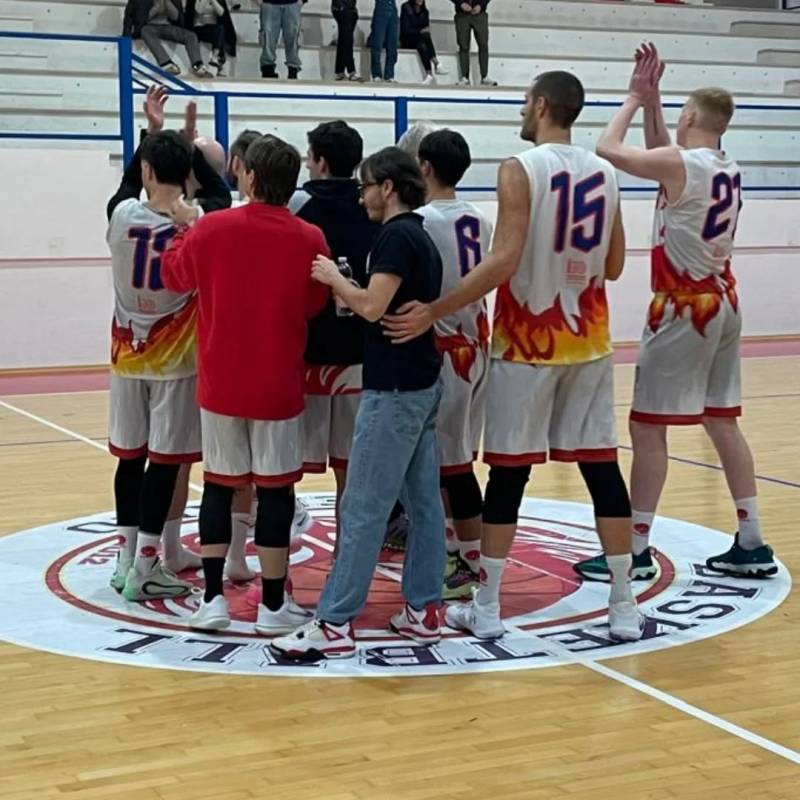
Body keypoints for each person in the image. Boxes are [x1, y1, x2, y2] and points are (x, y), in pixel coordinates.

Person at [383, 71, 644, 643]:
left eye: (527, 100)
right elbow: (618, 264)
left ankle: (490, 605)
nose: (522, 109)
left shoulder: (518, 168)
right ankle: (624, 605)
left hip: (528, 344)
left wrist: (436, 308)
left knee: (510, 473)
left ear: (543, 105)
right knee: (602, 469)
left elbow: (503, 261)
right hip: (590, 341)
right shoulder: (606, 171)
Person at [577, 43, 778, 581]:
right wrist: (655, 101)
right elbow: (661, 152)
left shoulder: (680, 165)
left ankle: (637, 547)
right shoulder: (723, 166)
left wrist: (633, 96)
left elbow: (607, 148)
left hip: (683, 309)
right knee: (722, 421)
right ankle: (752, 539)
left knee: (647, 428)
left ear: (692, 116)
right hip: (725, 302)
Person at [270, 147, 445, 660]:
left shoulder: (394, 235)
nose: (361, 194)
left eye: (366, 185)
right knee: (424, 505)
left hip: (393, 391)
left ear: (387, 187)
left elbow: (371, 305)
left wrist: (333, 279)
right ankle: (423, 610)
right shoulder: (422, 235)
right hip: (422, 383)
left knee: (364, 506)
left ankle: (335, 621)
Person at [161, 135, 331, 632]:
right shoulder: (309, 237)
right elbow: (314, 306)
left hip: (220, 384)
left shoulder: (211, 228)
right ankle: (273, 605)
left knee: (218, 487)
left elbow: (174, 278)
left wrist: (181, 229)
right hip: (278, 383)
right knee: (276, 493)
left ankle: (212, 600)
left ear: (249, 176)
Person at [106, 129, 201, 602]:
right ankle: (146, 565)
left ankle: (124, 562)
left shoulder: (121, 214)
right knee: (163, 464)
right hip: (176, 363)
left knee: (129, 458)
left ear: (145, 170)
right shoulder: (196, 222)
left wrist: (148, 132)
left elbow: (125, 188)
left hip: (126, 359)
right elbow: (218, 189)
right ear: (187, 175)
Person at [415, 128, 492, 599]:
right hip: (476, 343)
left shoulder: (423, 220)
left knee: (452, 463)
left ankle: (468, 559)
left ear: (424, 167)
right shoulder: (478, 218)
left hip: (445, 348)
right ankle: (456, 549)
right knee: (453, 457)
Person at [290, 122, 380, 525]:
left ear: (320, 161)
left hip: (304, 351)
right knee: (351, 470)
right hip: (358, 350)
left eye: (310, 157)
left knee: (282, 468)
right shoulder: (372, 206)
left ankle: (276, 566)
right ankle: (345, 557)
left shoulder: (295, 203)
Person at [122, 0, 213, 77]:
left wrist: (167, 4)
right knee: (145, 31)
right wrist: (156, 7)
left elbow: (177, 18)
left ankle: (198, 65)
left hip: (169, 27)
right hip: (149, 27)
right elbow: (138, 19)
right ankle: (166, 64)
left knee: (191, 35)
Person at [185, 0, 238, 77]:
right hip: (199, 28)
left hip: (212, 28)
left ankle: (215, 57)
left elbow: (221, 12)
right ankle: (217, 63)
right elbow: (199, 10)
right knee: (219, 32)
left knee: (221, 29)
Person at [400, 0, 446, 85]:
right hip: (408, 39)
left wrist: (423, 31)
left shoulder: (425, 11)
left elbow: (426, 28)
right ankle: (436, 63)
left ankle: (429, 74)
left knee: (423, 43)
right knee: (423, 38)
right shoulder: (406, 7)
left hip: (421, 40)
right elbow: (405, 30)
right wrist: (420, 31)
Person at [452, 0, 496, 87]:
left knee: (483, 44)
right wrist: (460, 3)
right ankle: (465, 77)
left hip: (480, 14)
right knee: (463, 46)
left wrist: (481, 5)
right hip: (462, 15)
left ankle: (484, 76)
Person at [260, 0, 303, 79]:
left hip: (293, 3)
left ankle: (293, 70)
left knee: (293, 36)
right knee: (268, 36)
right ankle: (268, 70)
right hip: (269, 3)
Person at [370, 0, 399, 83]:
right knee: (377, 44)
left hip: (393, 9)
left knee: (392, 45)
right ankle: (376, 74)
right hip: (381, 8)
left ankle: (390, 75)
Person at [332, 0, 361, 81]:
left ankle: (340, 71)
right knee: (347, 40)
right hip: (342, 8)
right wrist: (341, 6)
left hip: (350, 9)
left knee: (343, 39)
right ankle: (351, 71)